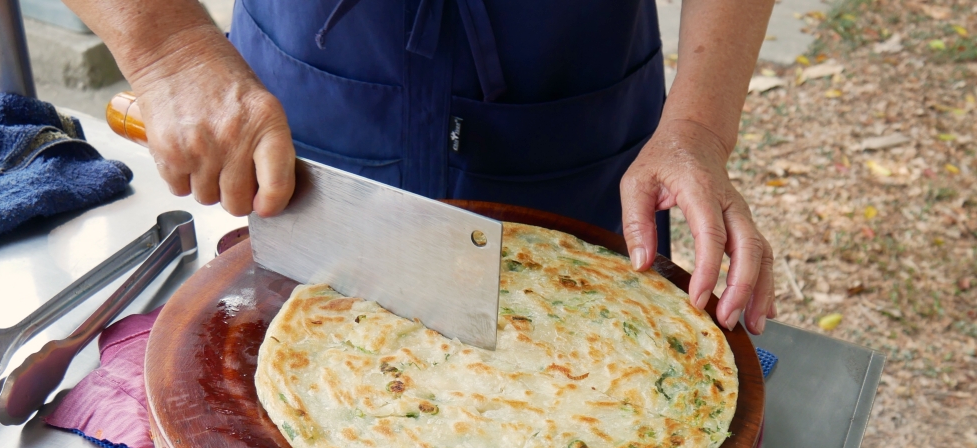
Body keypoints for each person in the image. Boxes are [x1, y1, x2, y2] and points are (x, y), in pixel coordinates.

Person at [65, 0, 776, 334]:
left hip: (568, 97)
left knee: (590, 377)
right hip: (313, 91)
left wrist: (698, 126)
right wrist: (169, 49)